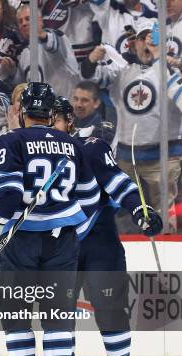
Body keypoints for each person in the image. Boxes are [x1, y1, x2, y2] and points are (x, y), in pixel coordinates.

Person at [0, 82, 98, 356]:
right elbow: (89, 196)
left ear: (23, 111)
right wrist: (73, 229)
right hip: (63, 240)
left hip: (21, 240)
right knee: (58, 316)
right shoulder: (73, 145)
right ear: (51, 114)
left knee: (16, 314)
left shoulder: (11, 141)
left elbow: (8, 194)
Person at [53, 96, 163, 356]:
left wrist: (141, 210)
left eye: (57, 120)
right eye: (47, 120)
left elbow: (120, 184)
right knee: (60, 315)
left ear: (69, 122)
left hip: (100, 243)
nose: (51, 127)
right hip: (60, 246)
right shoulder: (33, 154)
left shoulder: (91, 148)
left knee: (110, 309)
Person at [81, 19, 182, 233]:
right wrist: (90, 60)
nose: (147, 43)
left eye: (151, 38)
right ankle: (126, 262)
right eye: (142, 38)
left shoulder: (171, 70)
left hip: (163, 159)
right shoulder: (123, 71)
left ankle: (164, 265)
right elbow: (93, 76)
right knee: (123, 213)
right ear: (134, 43)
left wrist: (160, 60)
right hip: (128, 159)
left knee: (164, 217)